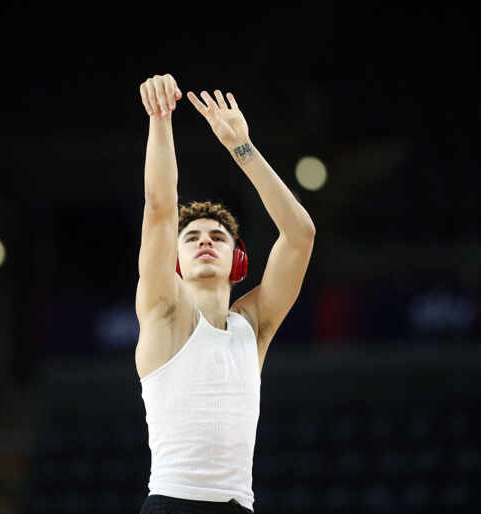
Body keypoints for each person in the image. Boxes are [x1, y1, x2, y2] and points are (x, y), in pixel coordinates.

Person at [135, 73, 316, 513]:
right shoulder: (164, 312)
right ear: (175, 263)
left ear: (237, 261)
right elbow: (160, 209)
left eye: (217, 236)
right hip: (172, 503)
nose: (204, 240)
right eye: (192, 237)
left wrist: (243, 149)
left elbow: (300, 236)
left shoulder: (252, 328)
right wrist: (161, 118)